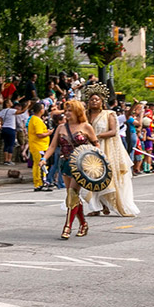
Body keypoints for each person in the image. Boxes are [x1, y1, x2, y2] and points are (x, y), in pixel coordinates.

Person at [42, 99, 98, 239]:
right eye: (66, 110)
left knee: (72, 194)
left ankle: (67, 227)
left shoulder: (86, 127)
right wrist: (44, 159)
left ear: (77, 111)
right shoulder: (61, 128)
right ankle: (83, 224)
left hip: (81, 165)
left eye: (70, 110)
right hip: (65, 163)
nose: (66, 113)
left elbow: (96, 145)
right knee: (72, 196)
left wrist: (94, 160)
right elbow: (53, 146)